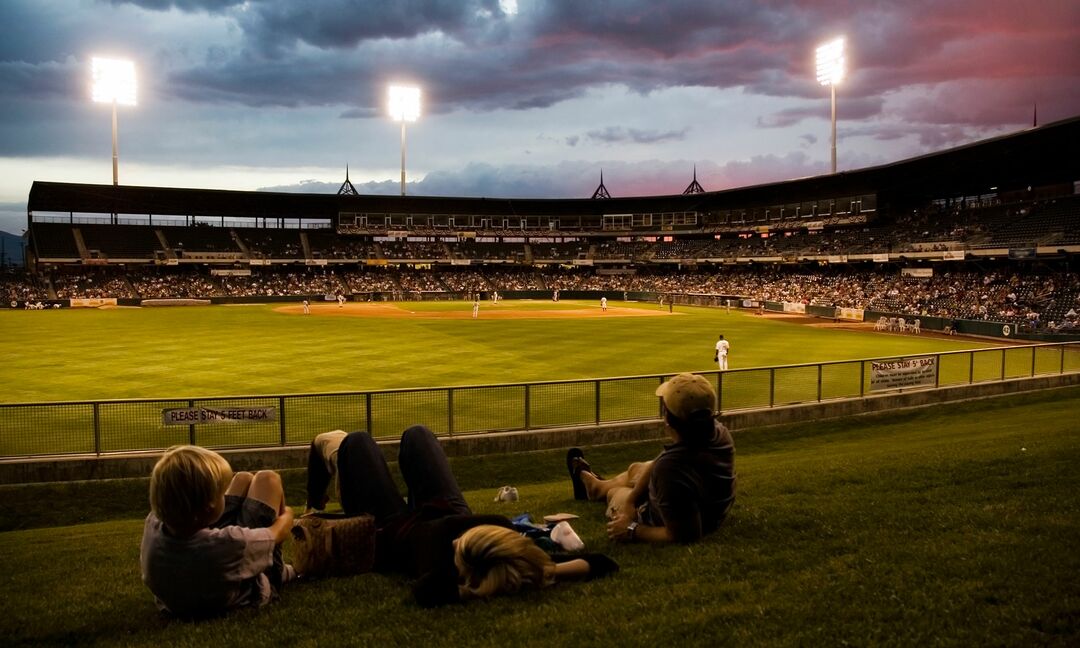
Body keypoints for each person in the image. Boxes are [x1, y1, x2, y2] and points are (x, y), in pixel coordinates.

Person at [305, 427, 618, 607]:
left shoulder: (445, 572)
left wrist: (482, 587)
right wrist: (540, 572)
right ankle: (316, 495)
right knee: (418, 435)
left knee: (356, 442)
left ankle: (312, 503)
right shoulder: (510, 548)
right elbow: (603, 562)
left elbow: (424, 593)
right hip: (446, 507)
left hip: (393, 528)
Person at [566, 373, 735, 544]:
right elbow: (658, 463)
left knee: (615, 493)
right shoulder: (719, 432)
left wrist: (631, 529)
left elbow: (684, 534)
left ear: (668, 420)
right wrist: (633, 498)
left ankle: (599, 490)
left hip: (650, 514)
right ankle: (597, 487)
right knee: (636, 469)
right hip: (697, 494)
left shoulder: (671, 468)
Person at [140, 446, 295, 619]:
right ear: (209, 507)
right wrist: (287, 513)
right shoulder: (229, 544)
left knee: (243, 478)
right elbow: (277, 532)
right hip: (248, 590)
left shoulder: (153, 525)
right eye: (220, 492)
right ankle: (279, 572)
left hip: (188, 590)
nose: (224, 494)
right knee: (269, 478)